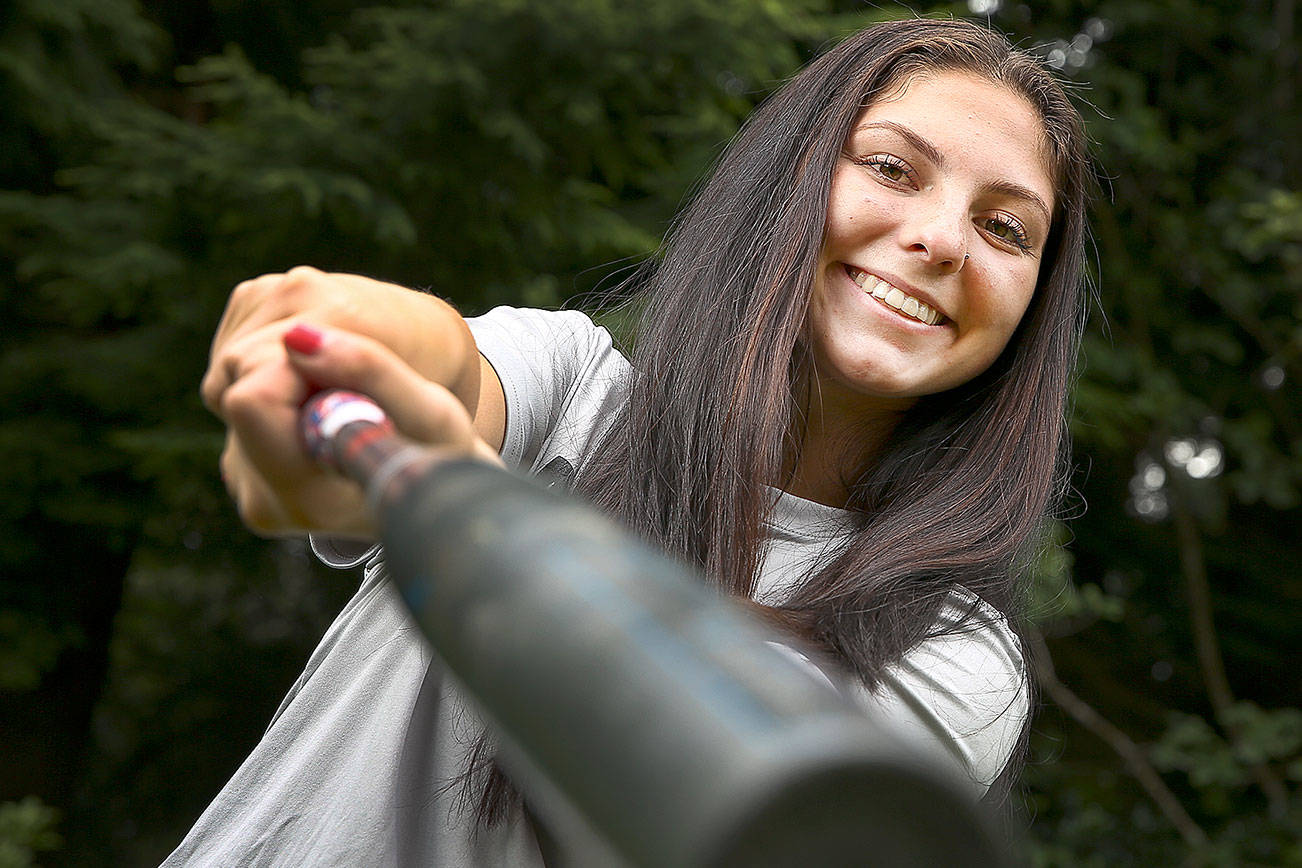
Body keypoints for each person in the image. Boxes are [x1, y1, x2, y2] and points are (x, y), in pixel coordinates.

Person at [174, 16, 1091, 866]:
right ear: (792, 178)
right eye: (892, 169)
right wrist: (353, 343)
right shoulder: (570, 388)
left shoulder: (957, 654)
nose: (940, 239)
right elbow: (443, 373)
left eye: (1004, 228)